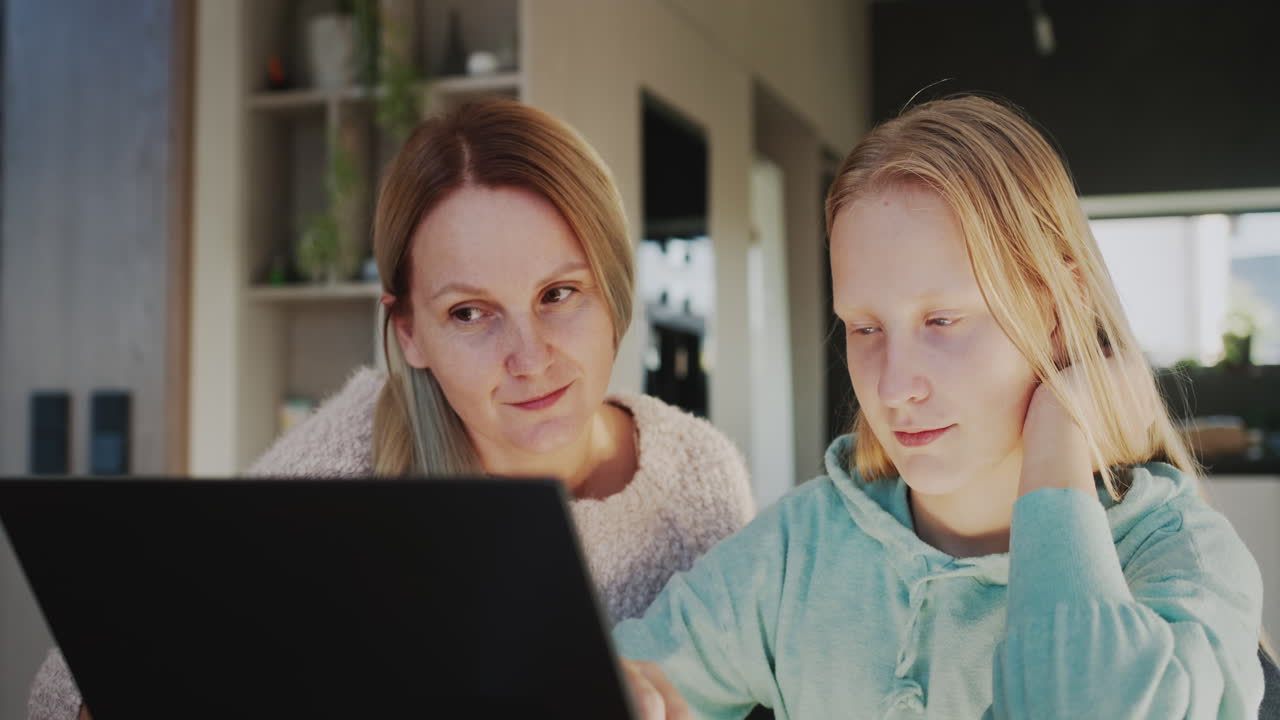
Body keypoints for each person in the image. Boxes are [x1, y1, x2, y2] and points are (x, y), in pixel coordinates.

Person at [27, 97, 755, 720]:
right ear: (409, 331)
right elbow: (66, 691)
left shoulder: (699, 484)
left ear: (614, 288)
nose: (529, 358)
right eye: (470, 313)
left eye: (559, 294)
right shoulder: (350, 461)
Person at [613, 96, 1266, 719]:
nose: (894, 387)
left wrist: (1061, 438)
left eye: (944, 320)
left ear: (1061, 307)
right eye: (865, 328)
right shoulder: (800, 550)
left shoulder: (1178, 558)